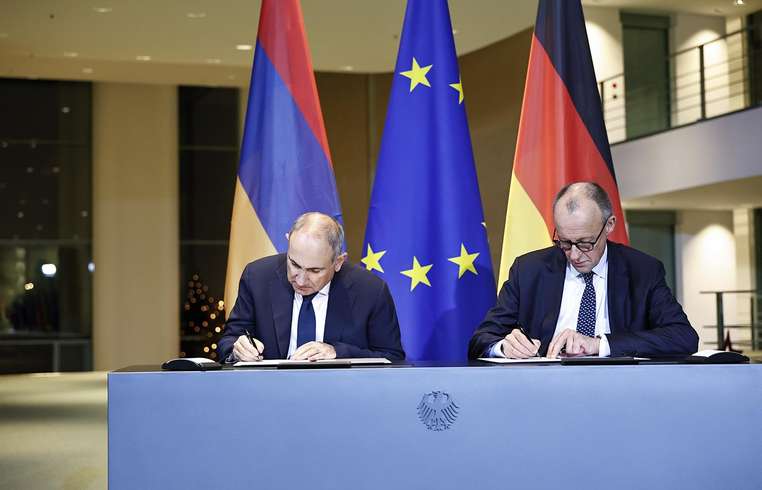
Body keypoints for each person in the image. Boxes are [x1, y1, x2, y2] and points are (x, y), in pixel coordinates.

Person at [469, 182, 698, 359]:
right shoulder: (529, 270)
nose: (574, 255)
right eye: (564, 242)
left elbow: (683, 337)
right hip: (545, 388)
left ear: (609, 225)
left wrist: (599, 344)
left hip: (619, 388)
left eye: (586, 243)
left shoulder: (642, 271)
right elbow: (481, 339)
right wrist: (504, 347)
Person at [218, 212, 405, 362]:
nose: (300, 280)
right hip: (270, 391)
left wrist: (337, 353)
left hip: (340, 393)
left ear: (338, 262)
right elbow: (229, 339)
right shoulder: (257, 277)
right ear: (288, 242)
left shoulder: (370, 290)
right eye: (294, 264)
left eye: (314, 270)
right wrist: (238, 349)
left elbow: (392, 357)